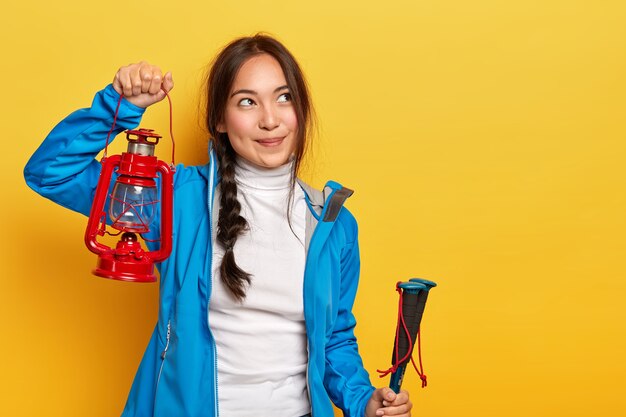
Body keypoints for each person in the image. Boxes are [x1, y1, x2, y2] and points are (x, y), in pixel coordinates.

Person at [24, 34, 412, 417]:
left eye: (284, 97)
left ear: (301, 108)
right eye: (247, 101)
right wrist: (118, 106)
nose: (270, 119)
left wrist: (362, 400)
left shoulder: (333, 222)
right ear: (219, 121)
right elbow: (51, 173)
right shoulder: (175, 199)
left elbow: (334, 339)